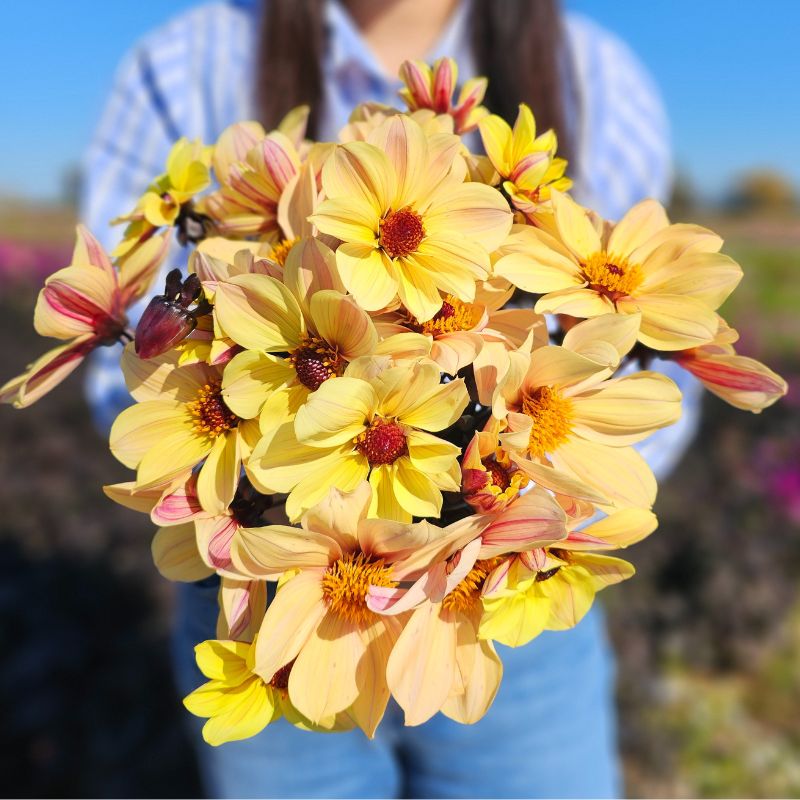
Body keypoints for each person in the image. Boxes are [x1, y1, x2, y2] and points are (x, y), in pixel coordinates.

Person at [82, 1, 701, 796]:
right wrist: (262, 493)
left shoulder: (594, 73)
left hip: (498, 600)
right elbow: (129, 365)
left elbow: (637, 357)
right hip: (273, 603)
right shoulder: (181, 60)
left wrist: (513, 519)